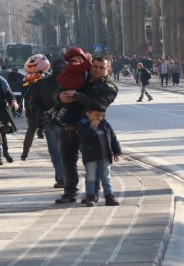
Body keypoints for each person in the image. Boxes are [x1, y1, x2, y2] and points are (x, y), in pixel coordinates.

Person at [53, 57, 118, 204]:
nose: (97, 69)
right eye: (95, 66)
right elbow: (58, 91)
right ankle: (69, 192)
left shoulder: (109, 86)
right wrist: (59, 97)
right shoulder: (80, 75)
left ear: (108, 70)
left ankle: (92, 193)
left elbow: (99, 105)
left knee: (91, 162)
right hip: (67, 126)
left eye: (102, 67)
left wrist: (77, 95)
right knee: (67, 163)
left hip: (90, 130)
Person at [28, 58, 66, 188]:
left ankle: (61, 177)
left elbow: (32, 103)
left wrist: (42, 114)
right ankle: (69, 176)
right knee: (69, 151)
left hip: (50, 121)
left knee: (55, 150)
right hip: (69, 121)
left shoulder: (40, 84)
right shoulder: (70, 83)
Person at [76, 103, 122, 207]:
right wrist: (92, 126)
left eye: (102, 115)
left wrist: (116, 152)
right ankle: (90, 197)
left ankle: (109, 197)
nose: (99, 118)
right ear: (88, 114)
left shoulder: (105, 124)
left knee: (106, 177)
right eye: (97, 115)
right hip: (91, 156)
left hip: (105, 155)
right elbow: (83, 138)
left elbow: (113, 138)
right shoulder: (83, 124)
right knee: (91, 177)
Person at [46, 47, 92, 124]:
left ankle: (53, 113)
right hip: (70, 88)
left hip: (86, 115)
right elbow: (57, 93)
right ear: (70, 59)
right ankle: (56, 115)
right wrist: (59, 96)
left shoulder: (87, 71)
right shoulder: (73, 65)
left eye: (82, 58)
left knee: (66, 104)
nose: (80, 60)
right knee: (66, 102)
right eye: (78, 58)